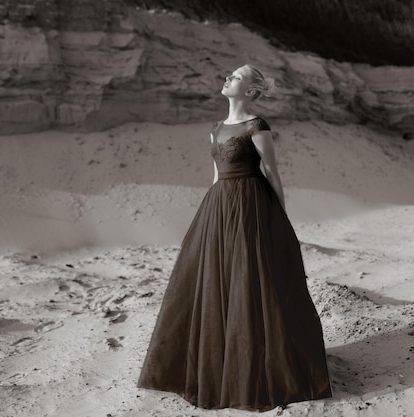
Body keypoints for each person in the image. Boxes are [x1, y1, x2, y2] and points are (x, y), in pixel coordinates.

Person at [137, 64, 332, 411]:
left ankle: (256, 368)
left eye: (237, 77)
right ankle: (218, 365)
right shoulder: (215, 129)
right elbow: (215, 177)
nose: (227, 79)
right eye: (229, 75)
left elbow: (271, 174)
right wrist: (208, 219)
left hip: (252, 208)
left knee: (251, 285)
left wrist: (281, 222)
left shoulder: (257, 126)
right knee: (215, 283)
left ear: (252, 90)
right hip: (218, 209)